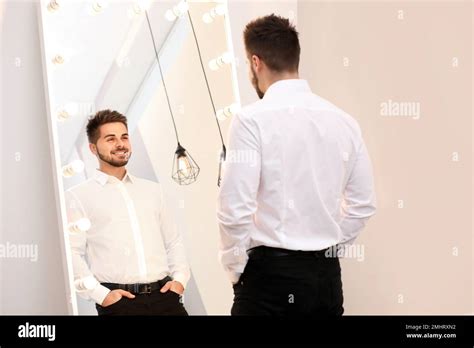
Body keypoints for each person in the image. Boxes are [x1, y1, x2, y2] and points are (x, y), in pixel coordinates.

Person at [217, 14, 377, 316]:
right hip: (326, 279)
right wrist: (326, 251)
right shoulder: (344, 122)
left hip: (270, 279)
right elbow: (363, 205)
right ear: (295, 58)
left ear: (255, 61)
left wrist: (235, 269)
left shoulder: (251, 119)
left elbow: (235, 207)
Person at [65, 109, 190, 315]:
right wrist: (100, 295)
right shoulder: (78, 196)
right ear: (93, 148)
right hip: (119, 304)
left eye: (124, 137)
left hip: (166, 298)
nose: (120, 144)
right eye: (111, 139)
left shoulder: (153, 190)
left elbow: (174, 241)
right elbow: (72, 253)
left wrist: (179, 280)